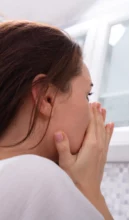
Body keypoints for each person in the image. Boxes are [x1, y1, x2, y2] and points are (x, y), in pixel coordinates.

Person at [0, 20, 114, 220]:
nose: (94, 109)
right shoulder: (37, 177)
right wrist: (90, 192)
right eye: (87, 94)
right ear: (46, 98)